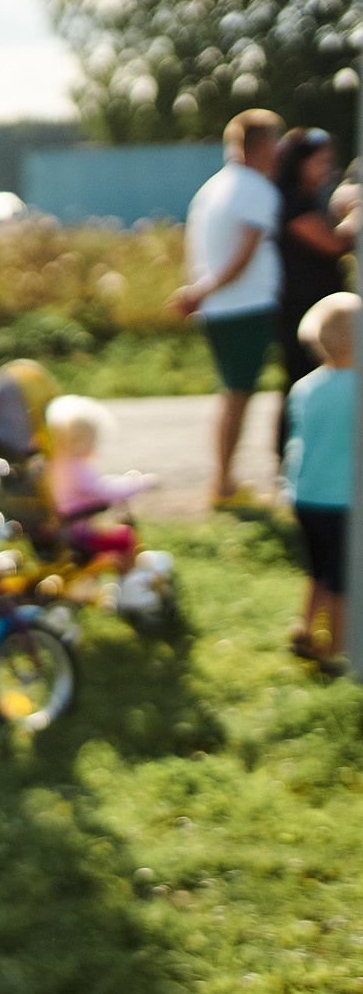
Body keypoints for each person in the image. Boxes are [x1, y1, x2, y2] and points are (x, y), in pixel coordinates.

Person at [171, 109, 285, 506]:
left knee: (232, 395)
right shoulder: (256, 189)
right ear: (264, 144)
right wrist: (201, 291)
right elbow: (241, 258)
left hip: (222, 308)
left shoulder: (214, 187)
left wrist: (200, 292)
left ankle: (225, 481)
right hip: (245, 306)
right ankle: (223, 484)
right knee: (238, 396)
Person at [271, 128, 360, 464]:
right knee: (301, 380)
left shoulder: (307, 199)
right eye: (321, 161)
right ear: (300, 163)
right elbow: (333, 244)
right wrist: (355, 214)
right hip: (301, 308)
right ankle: (288, 458)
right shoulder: (293, 202)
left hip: (314, 305)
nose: (327, 168)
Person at [285, 292, 355, 672]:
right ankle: (336, 650)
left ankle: (305, 629)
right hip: (342, 499)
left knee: (318, 571)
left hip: (305, 494)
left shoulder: (305, 387)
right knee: (344, 578)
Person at [42, 394, 153, 566]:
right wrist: (141, 483)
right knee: (126, 537)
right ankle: (130, 580)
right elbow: (106, 490)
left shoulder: (58, 464)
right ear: (80, 441)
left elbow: (99, 485)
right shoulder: (77, 467)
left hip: (66, 529)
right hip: (78, 534)